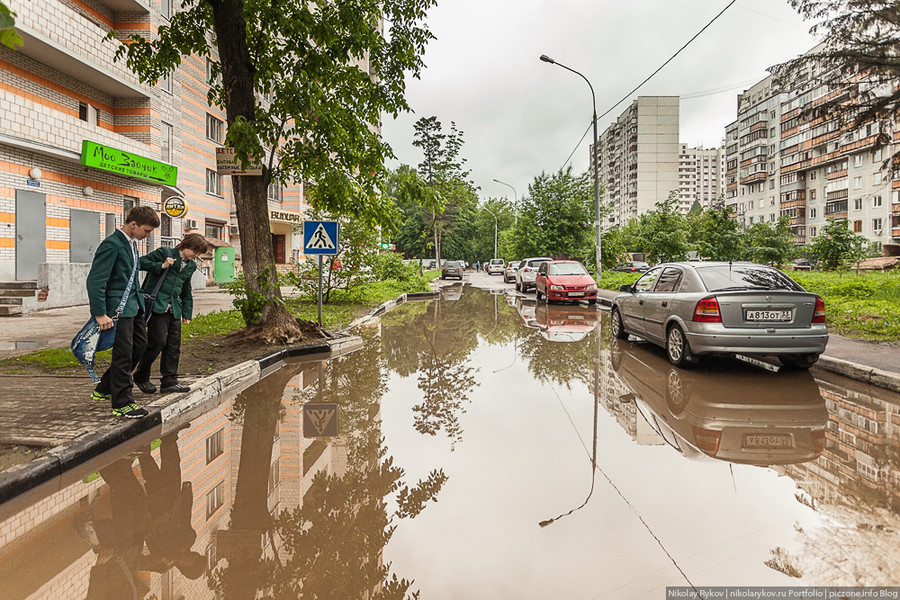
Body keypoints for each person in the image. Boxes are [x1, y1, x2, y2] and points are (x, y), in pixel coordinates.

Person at [87, 206, 159, 418]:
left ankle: (105, 388)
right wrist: (100, 313)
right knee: (123, 355)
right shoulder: (112, 244)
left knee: (140, 345)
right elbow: (96, 280)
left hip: (133, 305)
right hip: (117, 309)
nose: (147, 236)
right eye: (146, 231)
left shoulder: (131, 244)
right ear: (133, 224)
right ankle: (122, 403)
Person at [134, 233, 209, 395]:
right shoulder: (164, 253)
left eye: (199, 253)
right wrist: (161, 265)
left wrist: (187, 312)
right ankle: (141, 376)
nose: (196, 255)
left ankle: (170, 381)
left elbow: (186, 290)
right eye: (194, 251)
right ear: (185, 245)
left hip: (174, 308)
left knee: (173, 346)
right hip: (156, 306)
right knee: (157, 342)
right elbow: (139, 263)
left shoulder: (190, 266)